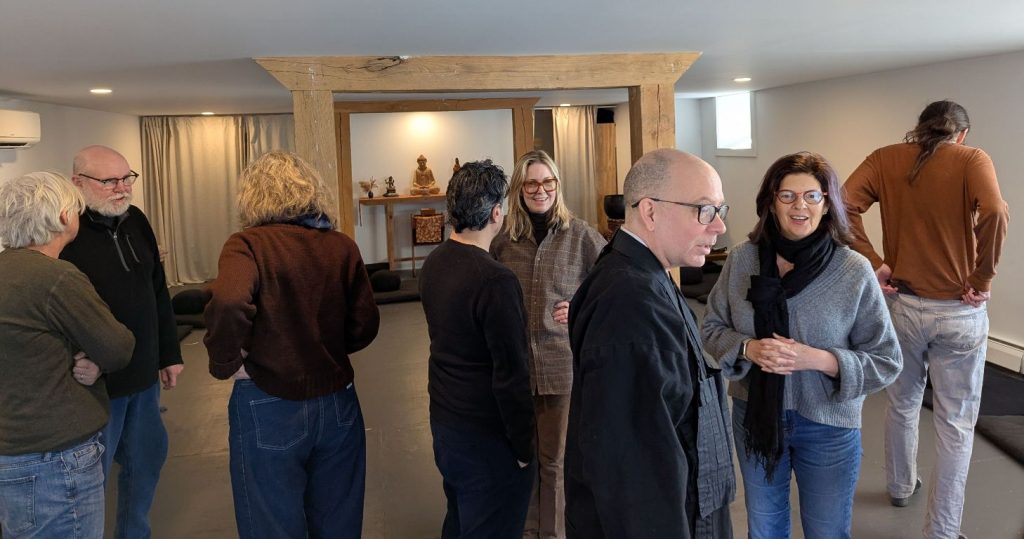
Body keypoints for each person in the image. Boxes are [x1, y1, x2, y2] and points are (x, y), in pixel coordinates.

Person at [702, 152, 903, 538]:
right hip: (755, 419)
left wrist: (821, 359)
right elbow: (710, 329)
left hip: (828, 425)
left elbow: (886, 359)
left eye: (812, 196)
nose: (800, 206)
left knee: (827, 531)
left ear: (827, 204)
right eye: (787, 196)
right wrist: (748, 349)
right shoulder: (743, 260)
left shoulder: (853, 270)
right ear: (770, 202)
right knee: (764, 528)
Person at [843, 100, 1009, 539]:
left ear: (919, 130)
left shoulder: (885, 158)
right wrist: (983, 277)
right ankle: (942, 531)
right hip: (960, 312)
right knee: (955, 424)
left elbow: (841, 205)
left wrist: (873, 261)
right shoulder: (972, 158)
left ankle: (900, 485)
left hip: (902, 306)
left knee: (902, 401)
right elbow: (995, 212)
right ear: (961, 134)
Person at [203, 151, 380, 538]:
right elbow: (365, 323)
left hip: (267, 400)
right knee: (339, 523)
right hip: (338, 400)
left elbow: (230, 300)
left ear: (252, 195)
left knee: (271, 525)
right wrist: (328, 345)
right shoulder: (340, 245)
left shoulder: (247, 245)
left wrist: (226, 360)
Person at [565, 149, 735, 538]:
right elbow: (635, 477)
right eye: (704, 210)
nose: (720, 227)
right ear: (650, 211)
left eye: (719, 210)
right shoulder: (629, 304)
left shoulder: (647, 278)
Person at [0, 172, 134, 538]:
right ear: (63, 217)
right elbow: (117, 346)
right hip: (55, 456)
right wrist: (93, 356)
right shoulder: (56, 277)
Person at [61, 144, 184, 539]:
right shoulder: (64, 234)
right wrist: (83, 356)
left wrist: (169, 353)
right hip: (97, 387)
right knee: (89, 479)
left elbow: (157, 289)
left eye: (126, 178)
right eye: (109, 181)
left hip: (144, 378)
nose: (121, 188)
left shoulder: (137, 221)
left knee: (145, 462)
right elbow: (55, 309)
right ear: (78, 183)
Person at [491, 150, 605, 539]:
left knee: (554, 462)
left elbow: (611, 290)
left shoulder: (582, 236)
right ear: (519, 190)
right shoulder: (503, 240)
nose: (541, 191)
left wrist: (579, 306)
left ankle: (552, 534)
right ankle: (526, 530)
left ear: (558, 185)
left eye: (548, 182)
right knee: (520, 458)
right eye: (531, 183)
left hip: (561, 365)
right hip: (514, 367)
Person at [419, 159, 536, 538]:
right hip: (488, 436)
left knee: (460, 518)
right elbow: (511, 374)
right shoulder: (496, 280)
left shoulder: (434, 262)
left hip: (447, 421)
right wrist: (523, 446)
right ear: (497, 213)